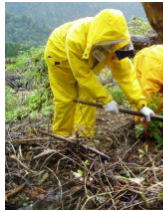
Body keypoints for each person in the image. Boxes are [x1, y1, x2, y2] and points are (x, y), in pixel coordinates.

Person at [44, 9, 154, 138]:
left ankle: (83, 136)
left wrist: (140, 105)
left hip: (85, 61)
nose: (111, 49)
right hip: (59, 56)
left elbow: (125, 75)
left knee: (88, 96)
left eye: (114, 45)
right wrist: (106, 100)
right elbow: (83, 76)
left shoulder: (116, 41)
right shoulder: (76, 39)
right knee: (66, 99)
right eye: (108, 45)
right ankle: (61, 135)